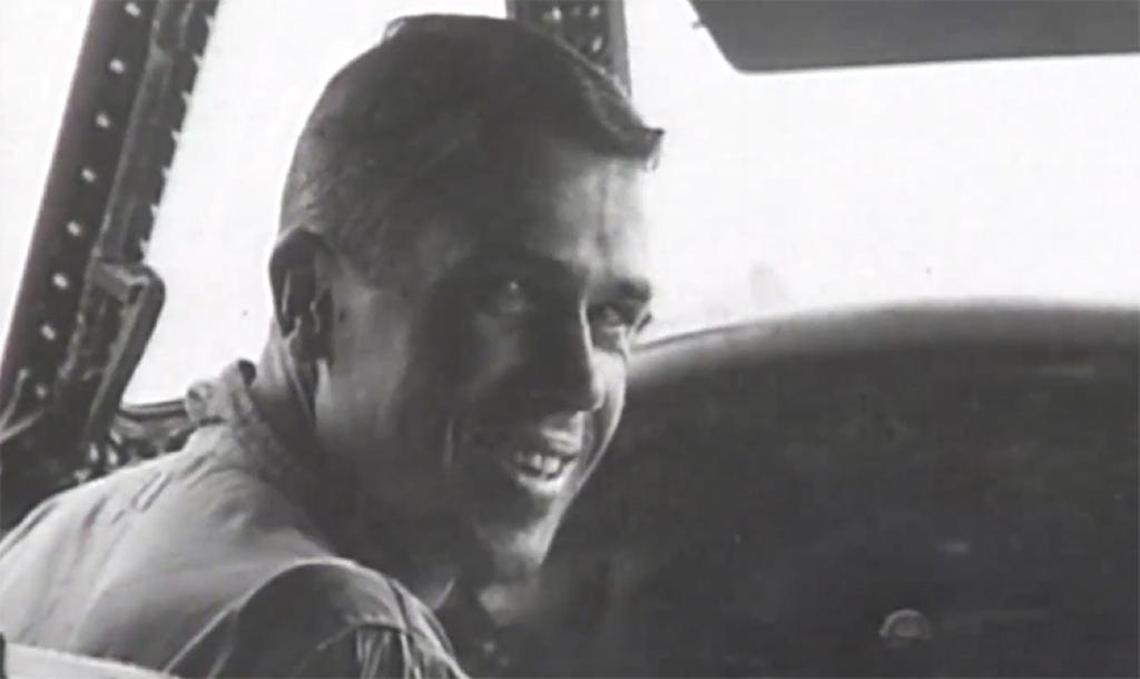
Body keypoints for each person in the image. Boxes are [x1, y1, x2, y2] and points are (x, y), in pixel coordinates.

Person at [0, 14, 662, 678]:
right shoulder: (355, 642)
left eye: (612, 316)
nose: (578, 379)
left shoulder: (59, 533)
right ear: (307, 300)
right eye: (509, 292)